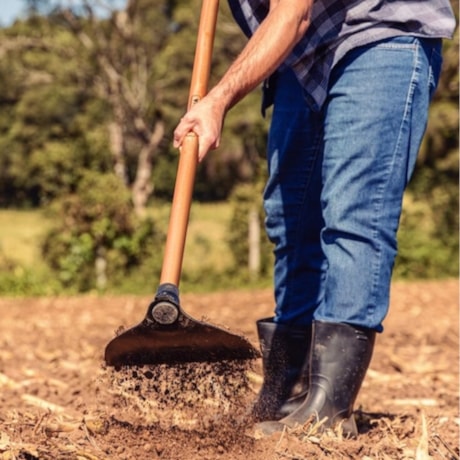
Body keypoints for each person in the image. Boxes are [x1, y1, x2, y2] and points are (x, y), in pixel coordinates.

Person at [173, 0, 456, 436]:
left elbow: (292, 13)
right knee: (290, 221)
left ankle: (328, 407)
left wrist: (218, 100)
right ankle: (286, 389)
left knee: (353, 217)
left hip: (378, 33)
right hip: (300, 55)